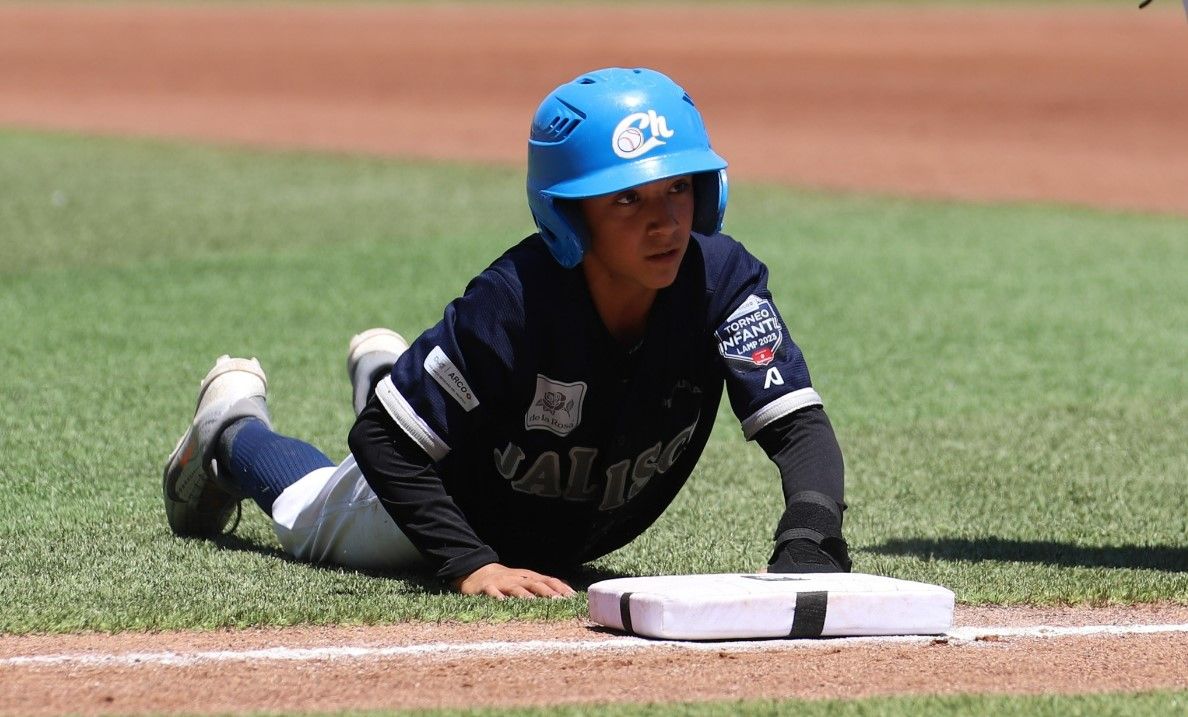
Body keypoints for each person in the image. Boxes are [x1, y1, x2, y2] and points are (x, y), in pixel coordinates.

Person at [163, 67, 851, 600]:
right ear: (568, 216)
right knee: (308, 513)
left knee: (419, 403)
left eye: (678, 188)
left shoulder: (720, 282)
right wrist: (470, 562)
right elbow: (380, 440)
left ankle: (396, 371)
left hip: (555, 518)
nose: (665, 220)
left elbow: (798, 427)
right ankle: (229, 431)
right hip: (445, 503)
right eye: (626, 198)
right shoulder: (515, 301)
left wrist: (811, 536)